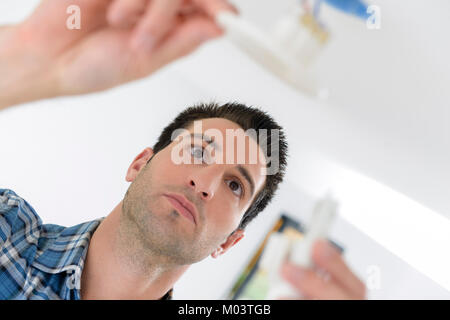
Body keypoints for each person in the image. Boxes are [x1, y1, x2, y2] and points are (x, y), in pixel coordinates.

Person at [0, 0, 366, 300]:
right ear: (140, 164)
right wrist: (27, 58)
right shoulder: (8, 232)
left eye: (234, 185)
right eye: (198, 151)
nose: (205, 182)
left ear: (230, 242)